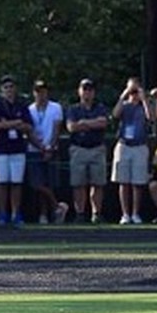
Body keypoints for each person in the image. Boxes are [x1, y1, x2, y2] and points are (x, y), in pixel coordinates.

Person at [0, 75, 33, 225]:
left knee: (16, 182)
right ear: (2, 90)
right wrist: (16, 122)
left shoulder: (22, 105)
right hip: (2, 148)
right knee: (2, 182)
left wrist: (8, 123)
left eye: (11, 87)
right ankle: (2, 213)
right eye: (6, 87)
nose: (9, 90)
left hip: (18, 148)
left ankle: (15, 213)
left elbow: (28, 126)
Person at [65, 78, 110, 223]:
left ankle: (96, 213)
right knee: (78, 184)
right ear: (79, 91)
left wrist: (84, 123)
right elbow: (71, 127)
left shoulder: (100, 107)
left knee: (98, 183)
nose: (87, 93)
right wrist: (93, 124)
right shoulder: (73, 109)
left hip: (97, 148)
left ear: (94, 92)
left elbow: (103, 123)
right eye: (84, 89)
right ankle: (80, 213)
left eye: (90, 90)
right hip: (79, 148)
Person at [111, 77, 153, 224]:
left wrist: (144, 99)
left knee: (137, 182)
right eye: (132, 91)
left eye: (136, 90)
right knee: (123, 181)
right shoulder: (124, 105)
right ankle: (125, 214)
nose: (133, 93)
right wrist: (123, 96)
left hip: (140, 146)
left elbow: (151, 118)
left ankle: (135, 213)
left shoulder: (144, 106)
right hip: (124, 145)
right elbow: (115, 115)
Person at [25, 79, 68, 224]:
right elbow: (29, 132)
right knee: (36, 184)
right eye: (37, 91)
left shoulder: (55, 108)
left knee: (48, 183)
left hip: (52, 149)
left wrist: (50, 147)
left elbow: (57, 129)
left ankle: (46, 215)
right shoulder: (29, 109)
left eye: (43, 91)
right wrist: (41, 147)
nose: (40, 94)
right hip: (34, 150)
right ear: (33, 93)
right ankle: (57, 206)